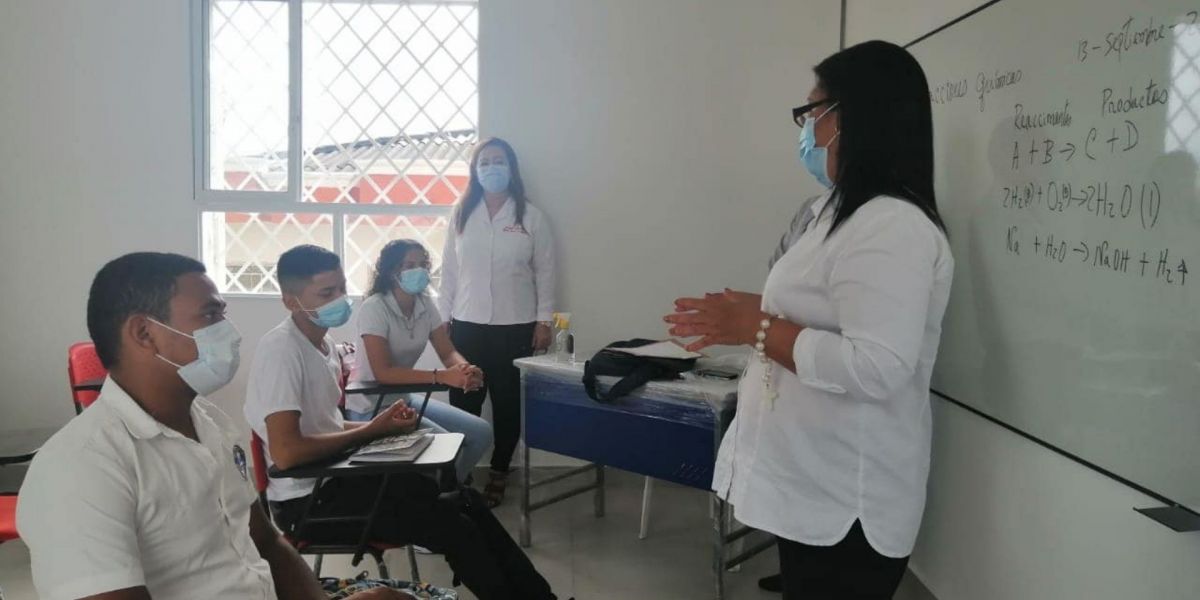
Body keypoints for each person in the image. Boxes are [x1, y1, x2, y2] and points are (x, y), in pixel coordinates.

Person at [664, 41, 955, 600]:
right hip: (813, 482)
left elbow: (876, 367)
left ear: (860, 117)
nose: (805, 129)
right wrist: (751, 313)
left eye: (813, 112)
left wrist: (759, 326)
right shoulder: (839, 211)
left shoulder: (892, 226)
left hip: (847, 499)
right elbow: (824, 309)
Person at [16, 252, 409, 600]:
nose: (230, 332)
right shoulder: (81, 468)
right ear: (144, 333)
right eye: (210, 315)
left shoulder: (211, 425)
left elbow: (267, 543)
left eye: (223, 313)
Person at [245, 244, 564, 600]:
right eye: (326, 293)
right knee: (455, 526)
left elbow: (327, 426)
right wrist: (372, 429)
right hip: (310, 501)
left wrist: (385, 427)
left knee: (465, 500)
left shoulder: (323, 347)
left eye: (340, 288)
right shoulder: (282, 352)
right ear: (290, 301)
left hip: (334, 477)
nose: (339, 298)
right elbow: (287, 453)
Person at [440, 137, 557, 507]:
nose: (492, 167)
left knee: (508, 405)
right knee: (463, 404)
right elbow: (449, 272)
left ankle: (500, 471)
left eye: (499, 161)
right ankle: (459, 473)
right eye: (485, 162)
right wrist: (444, 321)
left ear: (511, 168)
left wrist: (544, 321)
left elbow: (547, 272)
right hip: (467, 325)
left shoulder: (531, 217)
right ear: (475, 170)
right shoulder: (461, 213)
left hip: (516, 326)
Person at [349, 238, 493, 484]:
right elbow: (383, 373)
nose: (419, 270)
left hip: (404, 398)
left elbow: (448, 353)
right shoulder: (374, 308)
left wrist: (464, 369)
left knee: (481, 433)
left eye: (423, 264)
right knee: (449, 449)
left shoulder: (425, 304)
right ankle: (440, 495)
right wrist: (440, 377)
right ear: (392, 271)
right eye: (409, 264)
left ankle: (446, 491)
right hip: (372, 405)